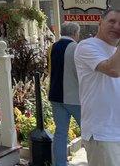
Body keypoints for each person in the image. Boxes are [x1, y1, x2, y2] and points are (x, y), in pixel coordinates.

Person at [74, 8, 120, 165]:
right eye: (112, 21)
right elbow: (112, 70)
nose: (117, 26)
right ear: (100, 22)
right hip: (103, 134)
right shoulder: (87, 46)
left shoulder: (116, 51)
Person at [48, 22, 81, 166]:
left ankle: (60, 164)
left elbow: (49, 69)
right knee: (89, 132)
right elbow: (80, 73)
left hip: (55, 96)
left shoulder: (52, 47)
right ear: (75, 33)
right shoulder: (76, 48)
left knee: (60, 133)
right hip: (75, 97)